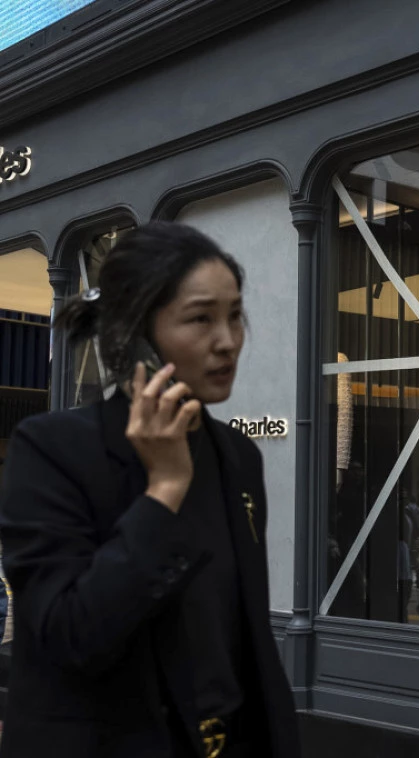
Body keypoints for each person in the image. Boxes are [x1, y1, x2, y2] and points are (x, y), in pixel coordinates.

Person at [0, 222, 300, 757]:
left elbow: (245, 640)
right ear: (136, 334)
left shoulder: (237, 456)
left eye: (235, 315)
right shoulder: (52, 450)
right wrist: (163, 489)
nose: (228, 340)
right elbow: (70, 636)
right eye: (201, 318)